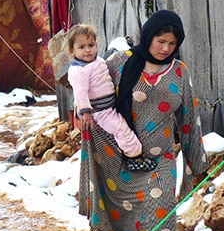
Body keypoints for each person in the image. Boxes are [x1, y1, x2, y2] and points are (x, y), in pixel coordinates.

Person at [77, 10, 208, 231]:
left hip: (160, 157)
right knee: (120, 213)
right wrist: (81, 112)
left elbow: (188, 119)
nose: (165, 49)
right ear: (148, 37)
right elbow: (86, 83)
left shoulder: (179, 72)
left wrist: (197, 161)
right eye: (161, 41)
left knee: (161, 209)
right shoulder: (120, 63)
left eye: (172, 44)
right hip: (118, 154)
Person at [65, 24, 157, 171]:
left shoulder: (98, 61)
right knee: (122, 131)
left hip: (111, 105)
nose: (88, 50)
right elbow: (80, 93)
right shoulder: (78, 71)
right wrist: (86, 112)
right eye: (81, 47)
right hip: (101, 111)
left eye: (91, 45)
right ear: (72, 50)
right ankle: (134, 158)